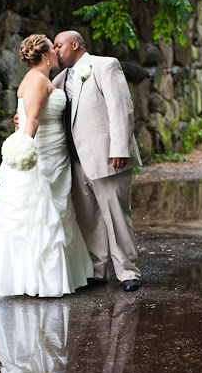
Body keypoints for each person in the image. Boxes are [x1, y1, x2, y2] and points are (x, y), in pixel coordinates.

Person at [0, 34, 93, 297]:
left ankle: (58, 275)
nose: (57, 52)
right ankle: (40, 280)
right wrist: (25, 150)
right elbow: (31, 118)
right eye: (53, 49)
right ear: (45, 56)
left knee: (56, 212)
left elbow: (25, 114)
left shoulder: (44, 79)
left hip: (56, 151)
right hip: (42, 153)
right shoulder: (36, 79)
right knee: (42, 212)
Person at [52, 31, 142, 292]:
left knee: (115, 214)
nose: (56, 50)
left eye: (59, 46)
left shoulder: (104, 65)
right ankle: (97, 270)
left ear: (75, 44)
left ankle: (128, 272)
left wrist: (120, 148)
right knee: (88, 217)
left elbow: (120, 107)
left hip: (107, 157)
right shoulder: (57, 80)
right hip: (75, 160)